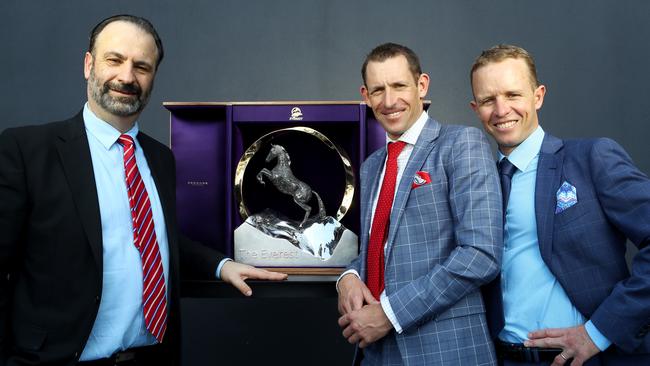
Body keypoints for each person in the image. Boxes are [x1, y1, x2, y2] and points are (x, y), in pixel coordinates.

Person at [0, 14, 286, 366]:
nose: (126, 77)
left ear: (152, 78)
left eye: (142, 66)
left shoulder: (160, 158)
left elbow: (154, 237)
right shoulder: (27, 150)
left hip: (150, 358)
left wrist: (221, 265)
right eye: (114, 60)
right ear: (89, 65)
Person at [470, 44, 650, 365]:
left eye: (513, 95)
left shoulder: (591, 159)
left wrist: (598, 333)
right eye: (488, 100)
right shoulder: (477, 184)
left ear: (538, 96)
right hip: (503, 358)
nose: (501, 110)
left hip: (591, 358)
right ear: (475, 108)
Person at [337, 42, 503, 365]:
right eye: (378, 90)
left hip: (443, 351)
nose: (389, 101)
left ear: (421, 85)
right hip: (373, 352)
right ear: (364, 95)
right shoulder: (372, 167)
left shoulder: (460, 145)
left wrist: (389, 313)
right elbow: (378, 251)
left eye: (399, 86)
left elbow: (481, 255)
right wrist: (348, 278)